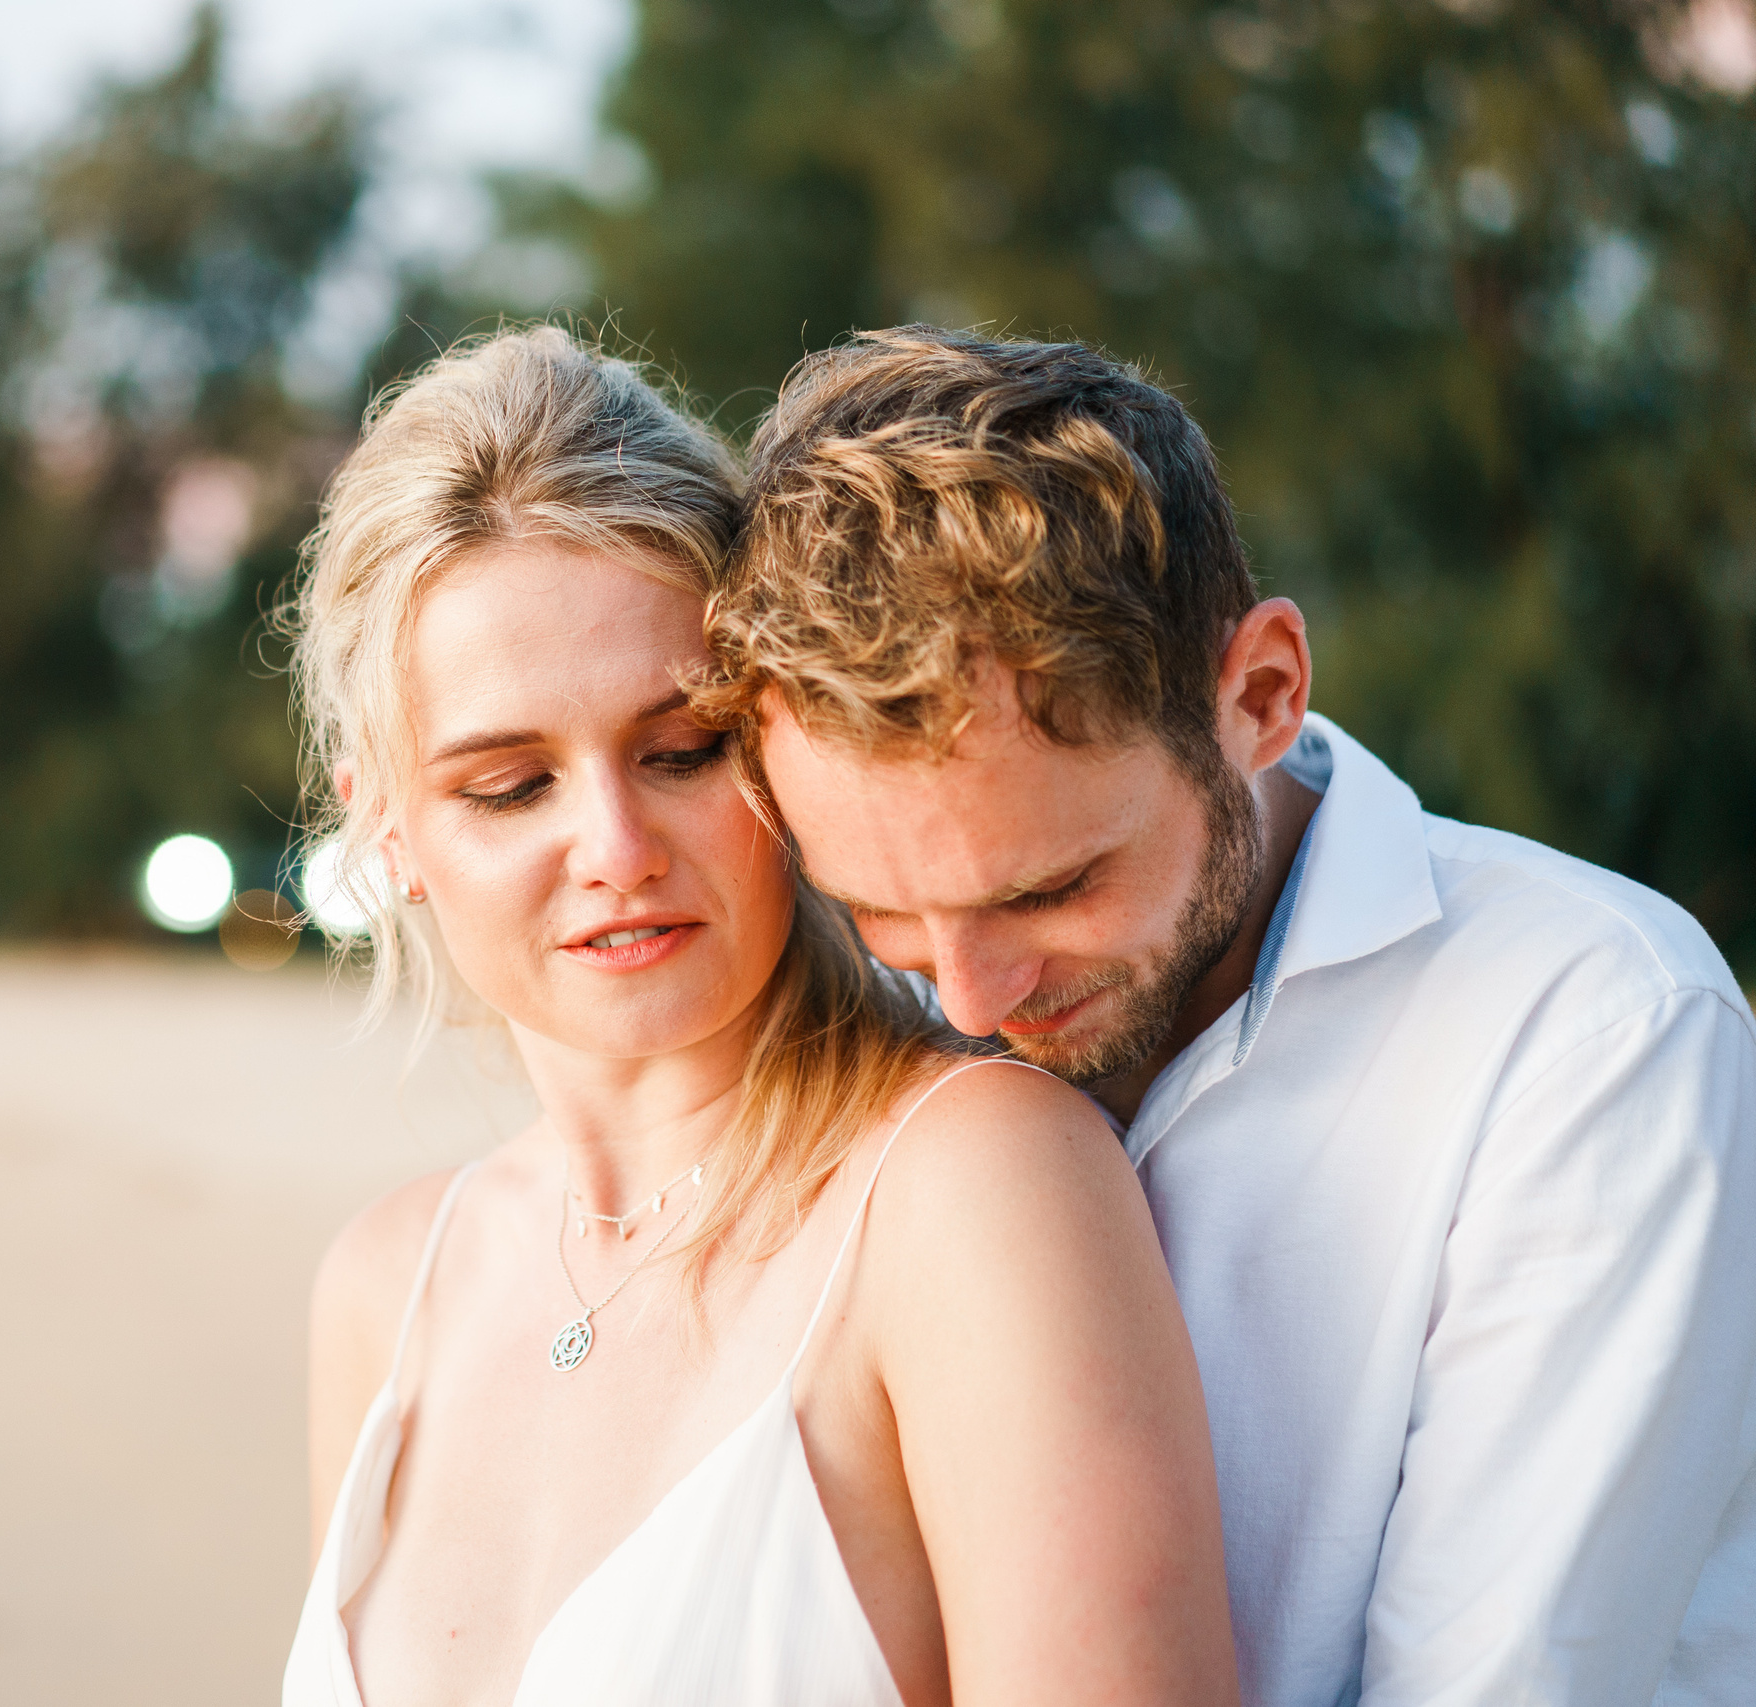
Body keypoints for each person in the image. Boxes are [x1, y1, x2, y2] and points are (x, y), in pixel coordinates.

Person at [697, 327, 1756, 1706]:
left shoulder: (1597, 1033)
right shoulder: (852, 1030)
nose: (964, 997)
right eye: (881, 911)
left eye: (1052, 887)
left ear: (1258, 693)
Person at [280, 325, 1239, 1705]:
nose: (615, 845)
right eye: (509, 786)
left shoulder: (971, 1184)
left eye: (682, 752)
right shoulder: (387, 1288)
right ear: (387, 826)